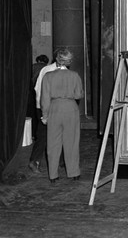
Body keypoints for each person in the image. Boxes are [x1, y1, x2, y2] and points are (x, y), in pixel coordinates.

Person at [41, 48, 84, 183]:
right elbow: (78, 95)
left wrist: (45, 115)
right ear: (69, 61)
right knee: (71, 142)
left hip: (54, 108)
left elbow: (45, 99)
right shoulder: (75, 75)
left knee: (53, 143)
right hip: (71, 109)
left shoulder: (48, 76)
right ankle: (74, 172)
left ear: (57, 60)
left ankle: (53, 175)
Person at [28, 53, 57, 173]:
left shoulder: (45, 69)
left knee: (45, 134)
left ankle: (37, 160)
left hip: (41, 105)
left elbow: (36, 88)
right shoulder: (51, 70)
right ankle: (35, 160)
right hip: (48, 105)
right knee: (45, 134)